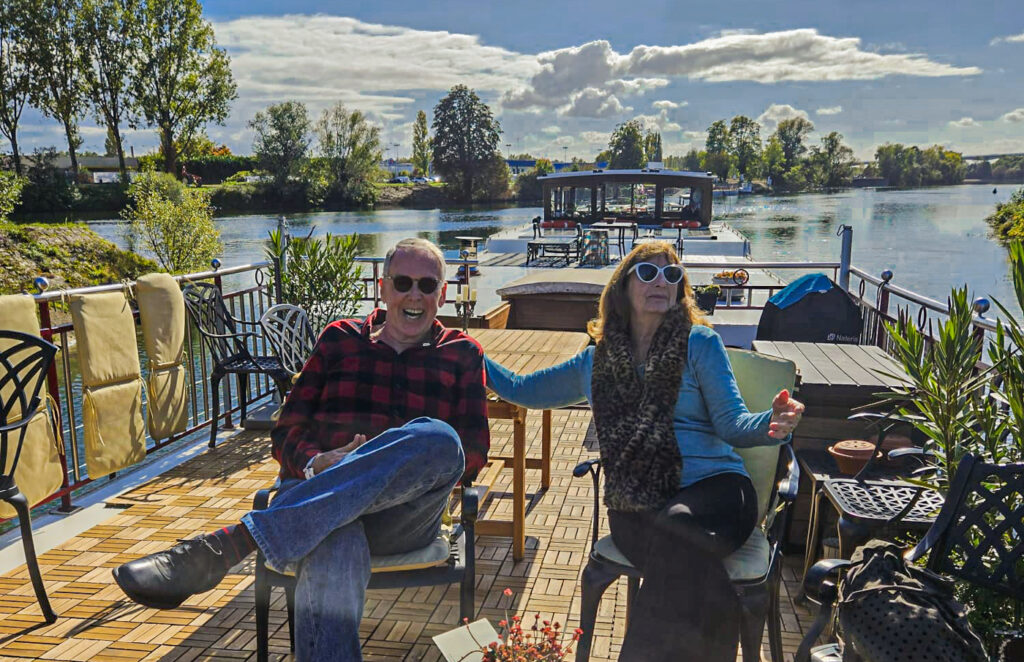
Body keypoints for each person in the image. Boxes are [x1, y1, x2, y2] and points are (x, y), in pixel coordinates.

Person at [112, 238, 490, 662]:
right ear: (383, 288)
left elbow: (473, 451)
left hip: (402, 517)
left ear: (442, 293)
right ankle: (271, 530)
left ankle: (230, 545)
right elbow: (286, 429)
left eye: (427, 285)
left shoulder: (462, 353)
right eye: (403, 282)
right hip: (316, 503)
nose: (414, 295)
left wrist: (384, 465)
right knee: (334, 539)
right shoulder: (339, 340)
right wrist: (316, 462)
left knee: (439, 440)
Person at [484, 242, 804, 661]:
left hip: (717, 492)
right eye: (648, 273)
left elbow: (733, 424)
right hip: (636, 501)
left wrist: (771, 424)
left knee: (677, 527)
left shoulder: (700, 344)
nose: (661, 282)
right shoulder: (593, 363)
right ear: (622, 287)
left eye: (672, 276)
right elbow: (522, 391)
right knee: (678, 543)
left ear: (679, 291)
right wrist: (471, 356)